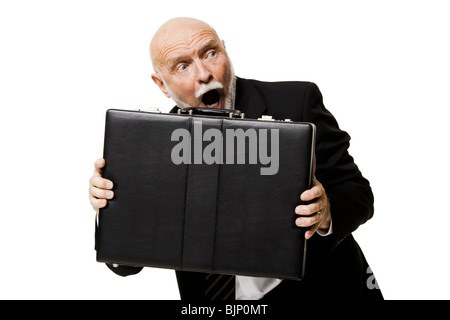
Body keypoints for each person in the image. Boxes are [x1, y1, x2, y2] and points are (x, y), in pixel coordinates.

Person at [89, 17, 383, 300]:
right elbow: (125, 264)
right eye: (182, 66)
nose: (204, 74)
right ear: (162, 85)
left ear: (225, 52)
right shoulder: (149, 147)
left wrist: (326, 212)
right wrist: (110, 208)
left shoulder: (297, 101)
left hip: (322, 290)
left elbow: (359, 194)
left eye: (211, 53)